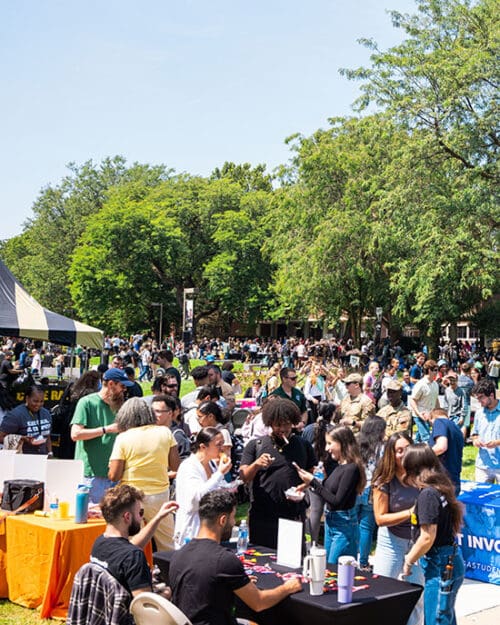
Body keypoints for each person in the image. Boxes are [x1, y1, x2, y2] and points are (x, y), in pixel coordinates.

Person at [169, 490, 302, 625]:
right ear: (223, 520)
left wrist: (234, 584)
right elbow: (259, 602)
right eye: (233, 517)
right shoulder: (225, 560)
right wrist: (288, 587)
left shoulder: (179, 554)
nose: (234, 523)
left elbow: (201, 585)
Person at [239, 397, 315, 549]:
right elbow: (244, 476)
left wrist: (302, 487)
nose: (283, 429)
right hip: (263, 515)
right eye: (278, 425)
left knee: (292, 561)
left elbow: (311, 473)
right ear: (270, 423)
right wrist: (256, 464)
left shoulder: (303, 445)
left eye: (287, 424)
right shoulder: (256, 445)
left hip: (292, 515)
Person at [402, 445, 464, 625]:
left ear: (413, 469)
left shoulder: (428, 494)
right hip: (449, 559)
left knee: (436, 618)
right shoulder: (440, 486)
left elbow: (427, 537)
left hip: (440, 564)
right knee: (444, 615)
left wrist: (409, 560)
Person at [108, 398, 180, 551]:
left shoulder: (123, 438)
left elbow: (114, 475)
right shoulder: (165, 432)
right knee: (168, 543)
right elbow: (175, 465)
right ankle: (172, 572)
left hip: (132, 497)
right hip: (160, 495)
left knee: (134, 543)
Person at [90, 484, 178, 598]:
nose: (142, 518)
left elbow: (130, 547)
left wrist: (158, 517)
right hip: (126, 614)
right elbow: (145, 606)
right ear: (127, 517)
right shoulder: (133, 557)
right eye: (140, 513)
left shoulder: (99, 544)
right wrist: (170, 592)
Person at [372, 432, 423, 625]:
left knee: (416, 595)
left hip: (418, 542)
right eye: (398, 450)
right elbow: (380, 518)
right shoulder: (384, 480)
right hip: (391, 542)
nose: (403, 454)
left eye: (407, 449)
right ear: (391, 454)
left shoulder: (421, 475)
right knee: (383, 593)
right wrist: (411, 512)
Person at [295, 425, 366, 564]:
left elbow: (337, 501)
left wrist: (314, 482)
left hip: (343, 526)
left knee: (335, 570)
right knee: (326, 568)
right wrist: (311, 481)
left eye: (330, 443)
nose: (327, 449)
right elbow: (328, 490)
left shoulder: (351, 469)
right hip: (332, 522)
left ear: (342, 443)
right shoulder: (340, 466)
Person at [71, 367, 134, 503]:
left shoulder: (120, 405)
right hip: (92, 474)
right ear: (111, 384)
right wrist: (106, 429)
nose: (124, 389)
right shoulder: (87, 403)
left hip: (115, 472)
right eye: (122, 386)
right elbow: (75, 434)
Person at [174, 427, 232, 547]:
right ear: (203, 447)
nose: (222, 448)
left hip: (210, 528)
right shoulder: (188, 467)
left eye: (223, 443)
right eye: (218, 444)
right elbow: (197, 498)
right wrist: (220, 474)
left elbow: (217, 489)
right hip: (191, 530)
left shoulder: (211, 464)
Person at [301, 402, 338, 544]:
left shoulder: (309, 429)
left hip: (314, 473)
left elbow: (303, 449)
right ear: (332, 414)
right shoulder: (335, 430)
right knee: (330, 509)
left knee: (315, 510)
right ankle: (330, 539)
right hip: (332, 474)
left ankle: (313, 541)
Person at [355, 416, 386, 571]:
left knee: (351, 525)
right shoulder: (382, 448)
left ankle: (350, 558)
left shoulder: (356, 442)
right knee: (366, 527)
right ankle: (363, 562)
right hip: (372, 489)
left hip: (355, 487)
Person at [0, 384, 52, 455]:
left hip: (42, 457)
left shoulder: (46, 413)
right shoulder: (15, 415)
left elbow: (47, 436)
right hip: (21, 457)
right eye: (35, 401)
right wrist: (20, 439)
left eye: (41, 401)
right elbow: (1, 437)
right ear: (27, 398)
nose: (38, 404)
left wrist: (50, 453)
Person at [428, 408, 464, 495]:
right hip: (453, 482)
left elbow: (441, 447)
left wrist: (421, 455)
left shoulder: (439, 422)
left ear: (432, 418)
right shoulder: (457, 430)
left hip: (440, 482)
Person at [471, 379, 500, 483]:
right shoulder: (479, 413)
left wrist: (497, 442)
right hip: (482, 465)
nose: (478, 401)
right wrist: (475, 440)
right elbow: (475, 433)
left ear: (491, 395)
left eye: (481, 397)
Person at [409, 359, 440, 443]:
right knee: (426, 438)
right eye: (435, 370)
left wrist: (438, 413)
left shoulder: (435, 384)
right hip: (420, 415)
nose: (437, 373)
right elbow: (412, 399)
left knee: (418, 439)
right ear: (429, 370)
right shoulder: (421, 384)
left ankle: (413, 452)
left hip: (430, 415)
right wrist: (419, 414)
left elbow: (436, 399)